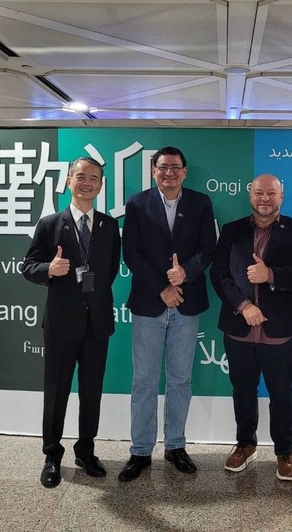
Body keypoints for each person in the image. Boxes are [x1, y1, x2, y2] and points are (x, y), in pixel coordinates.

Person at [210, 174, 292, 481]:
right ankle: (245, 444)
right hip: (239, 326)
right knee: (243, 390)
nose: (265, 199)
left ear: (281, 196)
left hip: (280, 329)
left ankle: (284, 451)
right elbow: (219, 275)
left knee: (281, 393)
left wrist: (270, 274)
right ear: (250, 195)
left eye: (271, 193)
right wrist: (244, 305)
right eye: (259, 193)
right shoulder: (232, 231)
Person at [118, 146, 217, 482]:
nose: (169, 173)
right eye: (163, 167)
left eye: (175, 167)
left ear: (185, 172)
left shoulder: (200, 203)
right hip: (150, 303)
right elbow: (131, 252)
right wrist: (162, 287)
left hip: (187, 302)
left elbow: (208, 249)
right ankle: (140, 450)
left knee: (180, 379)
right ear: (153, 171)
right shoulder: (137, 203)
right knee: (144, 381)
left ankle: (175, 445)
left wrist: (185, 273)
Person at [22, 157, 121, 488]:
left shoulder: (109, 226)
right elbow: (28, 266)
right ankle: (52, 455)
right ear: (68, 181)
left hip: (97, 324)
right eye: (81, 176)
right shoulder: (50, 224)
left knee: (91, 392)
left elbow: (109, 271)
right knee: (56, 392)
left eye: (94, 177)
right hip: (61, 324)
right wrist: (48, 270)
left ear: (101, 185)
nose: (87, 182)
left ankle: (86, 451)